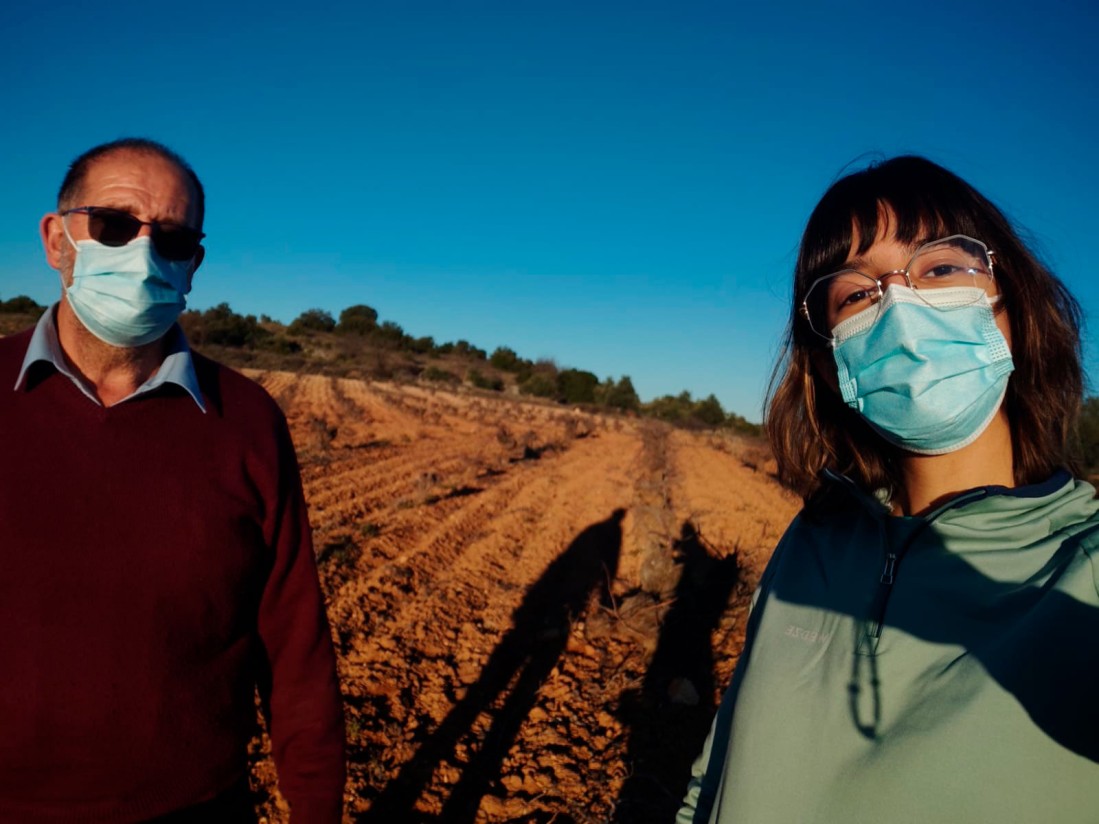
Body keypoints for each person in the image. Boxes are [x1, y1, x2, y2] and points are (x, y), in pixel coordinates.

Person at [677, 156, 1099, 823]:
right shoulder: (813, 540)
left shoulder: (1087, 570)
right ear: (829, 351)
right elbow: (718, 770)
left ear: (1013, 301)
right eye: (853, 293)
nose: (898, 304)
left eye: (939, 267)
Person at [0, 138, 345, 821]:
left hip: (190, 807)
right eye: (115, 225)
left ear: (194, 264)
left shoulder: (245, 419)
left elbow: (293, 637)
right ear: (56, 238)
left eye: (174, 238)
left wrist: (314, 806)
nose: (142, 254)